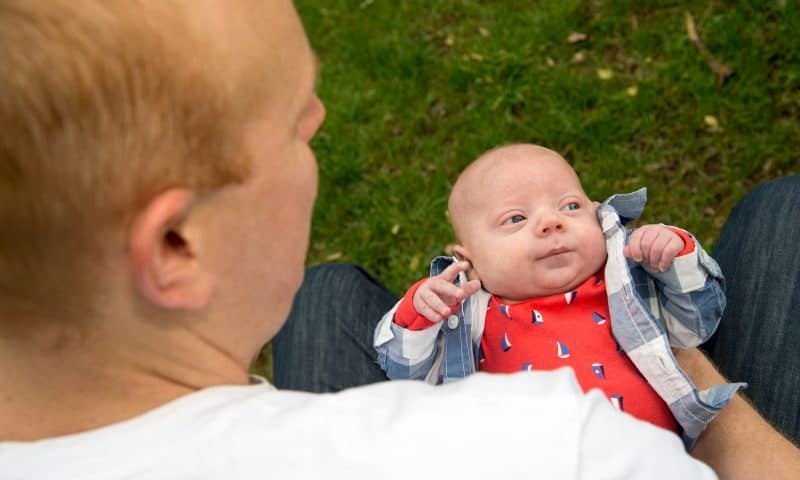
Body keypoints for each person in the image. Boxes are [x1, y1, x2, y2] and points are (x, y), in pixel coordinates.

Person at [0, 0, 720, 479]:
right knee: (782, 212)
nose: (318, 117)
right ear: (176, 247)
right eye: (291, 121)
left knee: (328, 288)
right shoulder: (555, 444)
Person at [371, 144, 743, 448]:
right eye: (516, 219)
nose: (552, 222)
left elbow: (696, 326)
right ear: (469, 260)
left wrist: (674, 256)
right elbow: (406, 374)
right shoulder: (466, 320)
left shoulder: (627, 282)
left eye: (570, 206)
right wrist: (420, 312)